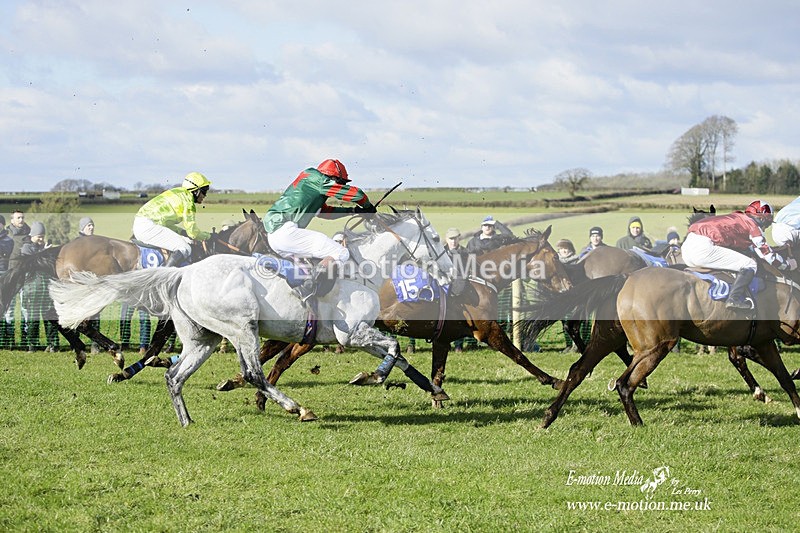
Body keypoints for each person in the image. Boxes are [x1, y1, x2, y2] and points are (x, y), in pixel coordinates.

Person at [263, 159, 376, 303]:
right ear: (333, 177)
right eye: (341, 183)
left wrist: (354, 211)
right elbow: (357, 194)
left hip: (276, 237)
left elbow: (325, 212)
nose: (340, 186)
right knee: (340, 253)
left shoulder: (311, 187)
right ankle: (309, 290)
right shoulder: (317, 179)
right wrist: (367, 205)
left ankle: (313, 292)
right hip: (286, 231)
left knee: (320, 257)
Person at [681, 200, 795, 310]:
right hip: (702, 249)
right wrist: (788, 265)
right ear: (761, 219)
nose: (765, 228)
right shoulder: (753, 226)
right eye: (767, 224)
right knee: (750, 264)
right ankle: (734, 299)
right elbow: (767, 255)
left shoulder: (737, 217)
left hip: (686, 250)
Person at [133, 172, 212, 267]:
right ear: (196, 191)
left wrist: (181, 232)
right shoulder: (188, 202)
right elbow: (193, 233)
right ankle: (164, 276)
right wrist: (209, 236)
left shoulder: (178, 192)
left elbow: (164, 223)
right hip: (148, 227)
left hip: (142, 224)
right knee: (184, 248)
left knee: (185, 241)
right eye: (204, 191)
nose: (205, 195)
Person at [19, 222, 59, 352]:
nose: (41, 239)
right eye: (39, 236)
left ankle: (52, 344)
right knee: (33, 319)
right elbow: (33, 262)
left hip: (46, 289)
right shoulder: (26, 248)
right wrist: (44, 251)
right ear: (32, 235)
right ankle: (32, 345)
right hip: (32, 289)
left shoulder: (44, 248)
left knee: (50, 318)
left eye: (42, 236)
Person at [0, 215, 15, 349]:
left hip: (4, 275)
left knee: (8, 308)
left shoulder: (8, 240)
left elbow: (5, 252)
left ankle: (9, 339)